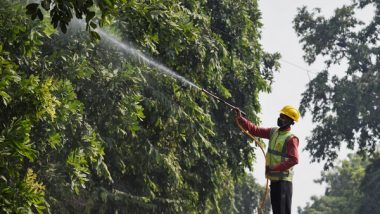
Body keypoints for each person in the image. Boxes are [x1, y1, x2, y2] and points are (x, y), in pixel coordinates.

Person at [234, 105, 300, 214]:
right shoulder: (273, 132)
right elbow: (255, 130)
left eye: (284, 117)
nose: (280, 118)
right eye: (280, 116)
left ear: (291, 121)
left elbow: (294, 160)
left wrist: (274, 168)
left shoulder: (291, 139)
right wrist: (241, 119)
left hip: (283, 183)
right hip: (274, 181)